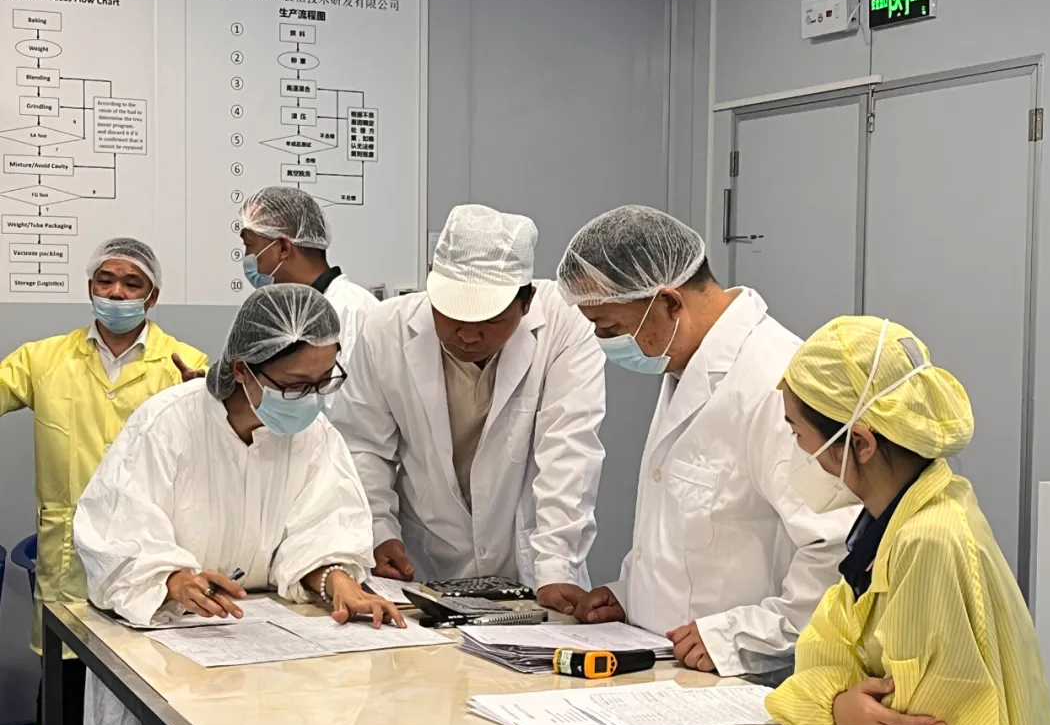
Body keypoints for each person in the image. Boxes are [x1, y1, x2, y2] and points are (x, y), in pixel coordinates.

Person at [74, 283, 403, 725]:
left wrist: (336, 580)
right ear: (243, 369)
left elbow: (324, 525)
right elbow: (117, 534)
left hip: (269, 667)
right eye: (295, 386)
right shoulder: (168, 424)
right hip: (169, 656)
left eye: (324, 382)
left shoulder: (315, 436)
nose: (312, 401)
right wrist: (172, 579)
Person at [764, 316, 1050, 725]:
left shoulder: (928, 540)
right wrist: (840, 706)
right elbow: (814, 661)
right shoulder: (883, 528)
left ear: (859, 442)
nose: (797, 451)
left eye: (798, 434)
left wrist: (837, 706)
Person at [556, 205, 852, 676]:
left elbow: (836, 545)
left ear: (670, 303)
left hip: (745, 676)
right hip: (670, 664)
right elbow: (690, 527)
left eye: (610, 329)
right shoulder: (684, 363)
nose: (604, 343)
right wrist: (630, 594)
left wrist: (741, 637)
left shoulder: (772, 381)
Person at [0, 237, 208, 725]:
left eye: (132, 283)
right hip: (70, 561)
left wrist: (206, 407)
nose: (117, 293)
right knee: (62, 693)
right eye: (106, 281)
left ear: (152, 296)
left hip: (150, 561)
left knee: (147, 695)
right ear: (90, 287)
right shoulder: (44, 359)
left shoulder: (187, 365)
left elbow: (227, 447)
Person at [330, 204, 607, 614]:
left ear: (527, 301)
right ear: (431, 280)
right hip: (425, 561)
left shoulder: (565, 325)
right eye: (451, 315)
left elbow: (569, 452)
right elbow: (364, 446)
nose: (468, 335)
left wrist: (557, 565)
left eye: (490, 321)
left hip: (533, 567)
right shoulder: (385, 330)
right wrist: (379, 531)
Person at [237, 185, 379, 413]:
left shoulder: (351, 311)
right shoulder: (293, 313)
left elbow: (341, 414)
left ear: (283, 248)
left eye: (250, 246)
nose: (247, 258)